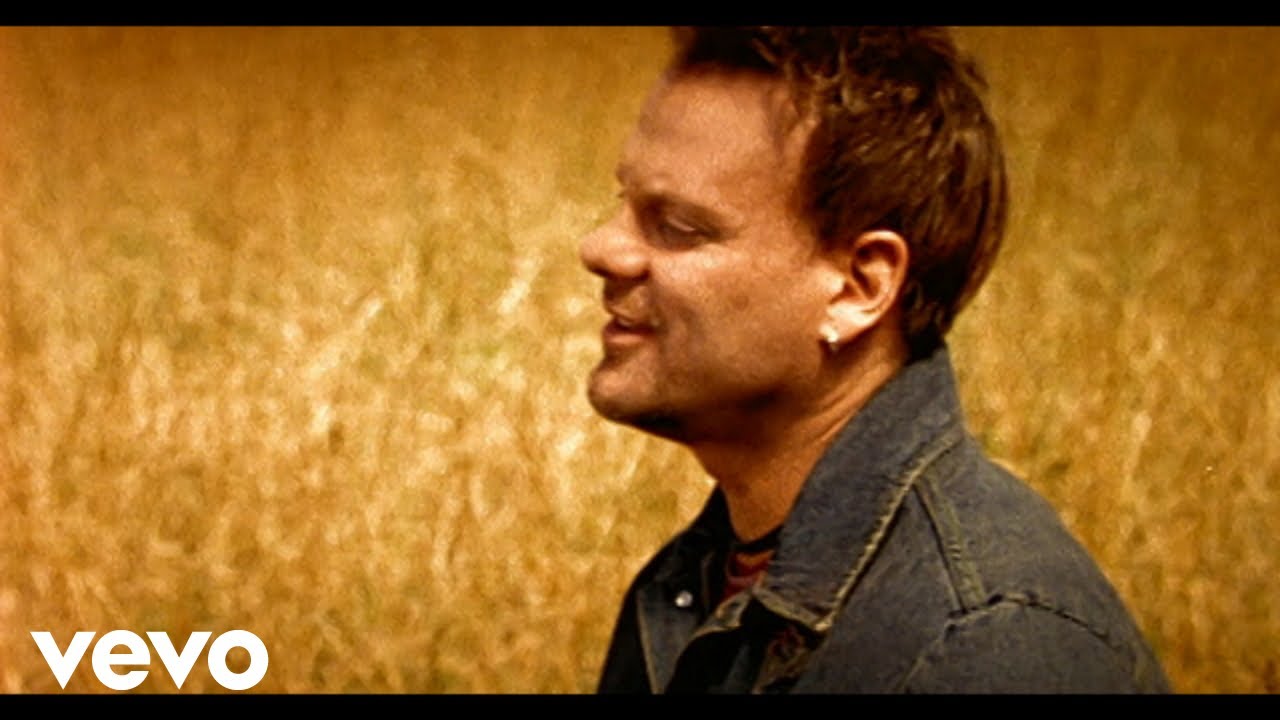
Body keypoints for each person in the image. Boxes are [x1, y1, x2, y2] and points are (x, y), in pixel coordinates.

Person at [577, 26, 1172, 694]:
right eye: (623, 202)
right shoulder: (697, 581)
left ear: (859, 288)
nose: (601, 247)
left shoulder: (986, 649)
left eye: (679, 227)